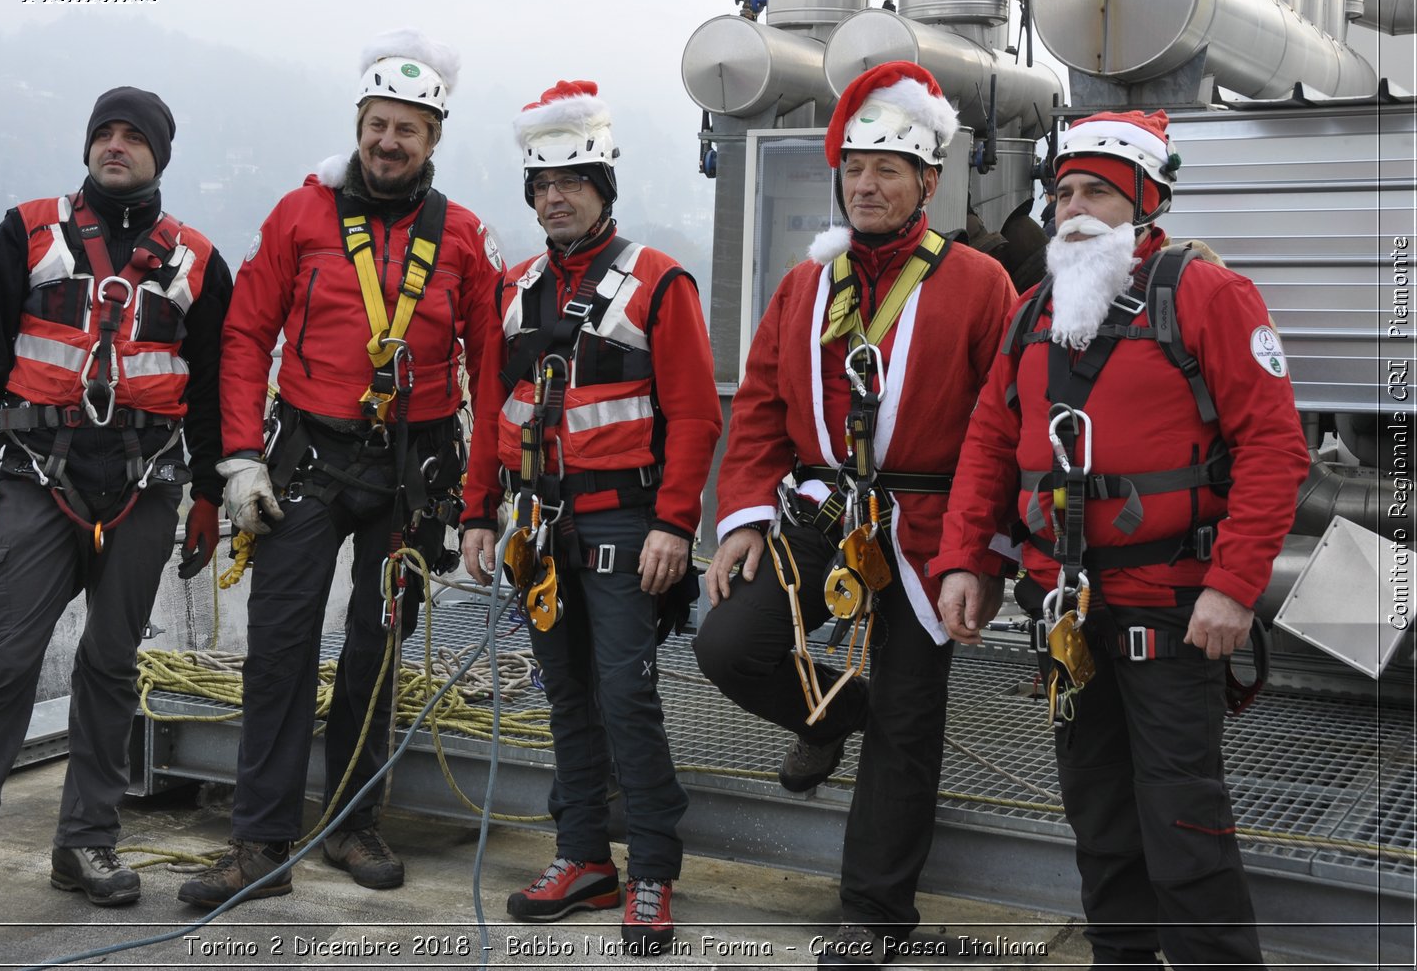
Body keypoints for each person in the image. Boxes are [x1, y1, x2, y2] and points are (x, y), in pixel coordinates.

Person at [934, 109, 1308, 969]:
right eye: (1063, 190)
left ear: (1147, 199)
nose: (1073, 208)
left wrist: (1234, 583)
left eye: (1097, 190)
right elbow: (990, 446)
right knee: (1099, 819)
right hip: (1067, 620)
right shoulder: (1033, 314)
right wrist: (963, 561)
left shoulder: (1209, 296)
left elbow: (1274, 448)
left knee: (1185, 824)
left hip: (1173, 612)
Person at [692, 61, 1017, 967]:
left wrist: (977, 557)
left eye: (888, 169)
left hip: (929, 519)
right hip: (819, 507)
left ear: (928, 183)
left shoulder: (981, 284)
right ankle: (836, 713)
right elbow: (759, 402)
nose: (866, 184)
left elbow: (1004, 420)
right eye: (855, 168)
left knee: (914, 719)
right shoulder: (809, 283)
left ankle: (875, 912)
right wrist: (746, 518)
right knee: (728, 646)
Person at [0, 86, 232, 938]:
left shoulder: (195, 260)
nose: (116, 145)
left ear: (160, 153)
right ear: (87, 146)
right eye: (104, 134)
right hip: (37, 481)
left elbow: (215, 392)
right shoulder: (29, 231)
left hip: (146, 487)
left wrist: (212, 496)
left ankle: (86, 843)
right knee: (3, 669)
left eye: (133, 136)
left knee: (112, 668)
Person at [177, 30, 501, 907]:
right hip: (307, 458)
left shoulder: (464, 236)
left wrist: (480, 501)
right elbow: (245, 334)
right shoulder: (300, 215)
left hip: (413, 468)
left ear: (434, 140)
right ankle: (260, 838)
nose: (389, 142)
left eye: (408, 129)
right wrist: (239, 458)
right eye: (377, 125)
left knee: (376, 645)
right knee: (279, 647)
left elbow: (493, 362)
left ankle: (353, 820)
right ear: (358, 125)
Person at [457, 80, 721, 957]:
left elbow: (696, 415)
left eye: (570, 180)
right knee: (565, 692)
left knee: (625, 695)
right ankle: (583, 856)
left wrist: (676, 525)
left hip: (624, 525)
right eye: (540, 186)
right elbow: (490, 408)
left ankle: (651, 869)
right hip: (536, 528)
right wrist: (478, 515)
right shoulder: (515, 290)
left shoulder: (656, 283)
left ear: (603, 184)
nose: (554, 197)